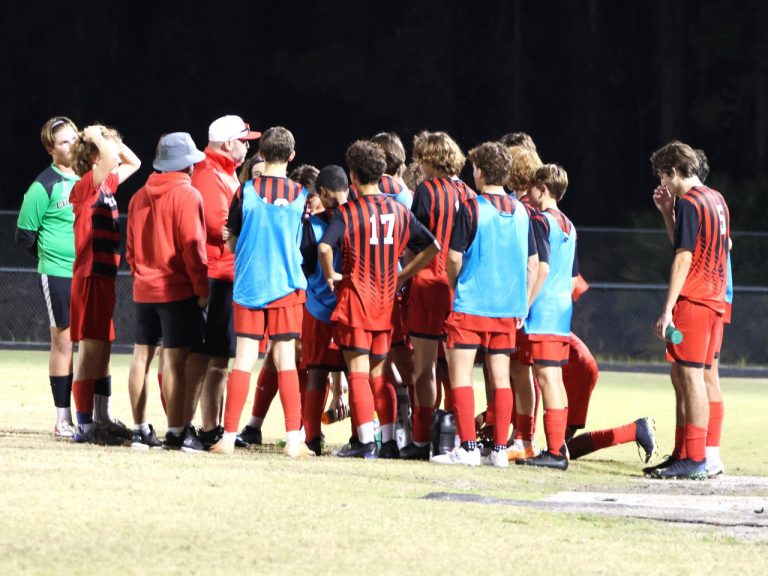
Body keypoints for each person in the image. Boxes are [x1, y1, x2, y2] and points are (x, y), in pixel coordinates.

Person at [318, 140, 438, 458]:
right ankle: (387, 442)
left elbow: (324, 247)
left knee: (357, 372)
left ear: (353, 177)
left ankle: (365, 441)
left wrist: (331, 273)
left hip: (357, 299)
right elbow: (433, 247)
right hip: (385, 303)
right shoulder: (399, 209)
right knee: (379, 374)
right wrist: (403, 275)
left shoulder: (348, 212)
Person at [432, 142, 536, 467]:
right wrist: (522, 302)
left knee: (461, 375)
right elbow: (533, 263)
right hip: (506, 309)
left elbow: (452, 257)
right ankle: (500, 450)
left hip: (472, 304)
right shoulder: (521, 210)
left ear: (479, 171)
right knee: (501, 378)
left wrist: (455, 283)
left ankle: (468, 447)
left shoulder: (472, 206)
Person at [210, 126, 311, 457]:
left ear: (261, 155)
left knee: (243, 359)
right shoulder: (301, 194)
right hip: (286, 284)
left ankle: (227, 437)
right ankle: (294, 441)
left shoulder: (245, 191)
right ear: (292, 156)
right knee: (285, 362)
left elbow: (232, 239)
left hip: (251, 283)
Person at [646, 142, 730, 480]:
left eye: (666, 175)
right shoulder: (716, 199)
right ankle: (684, 453)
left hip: (694, 302)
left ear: (677, 170)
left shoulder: (693, 203)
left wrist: (668, 309)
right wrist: (669, 212)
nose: (665, 183)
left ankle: (694, 457)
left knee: (692, 376)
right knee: (682, 373)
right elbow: (693, 244)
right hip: (714, 301)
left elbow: (684, 256)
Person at [126, 132, 209, 452]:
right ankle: (176, 433)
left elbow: (131, 250)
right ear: (186, 164)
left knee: (140, 358)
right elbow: (194, 250)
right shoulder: (189, 196)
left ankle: (139, 430)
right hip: (176, 290)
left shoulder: (137, 197)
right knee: (174, 364)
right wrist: (201, 289)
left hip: (144, 287)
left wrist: (142, 276)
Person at [184, 115, 261, 449]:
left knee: (217, 359)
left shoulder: (223, 173)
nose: (247, 146)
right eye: (243, 140)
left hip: (225, 274)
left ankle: (210, 428)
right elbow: (220, 228)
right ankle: (194, 426)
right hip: (216, 275)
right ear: (228, 143)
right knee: (207, 359)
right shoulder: (209, 174)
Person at [400, 131, 475, 461]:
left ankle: (420, 439)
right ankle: (460, 440)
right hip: (460, 290)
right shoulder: (470, 193)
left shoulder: (427, 191)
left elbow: (415, 242)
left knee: (425, 368)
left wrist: (403, 274)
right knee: (459, 372)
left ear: (430, 159)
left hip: (429, 287)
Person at [68, 124, 141, 444]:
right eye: (105, 150)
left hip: (103, 278)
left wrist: (106, 139)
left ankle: (102, 416)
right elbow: (113, 158)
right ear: (96, 158)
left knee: (103, 350)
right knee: (90, 351)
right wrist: (96, 137)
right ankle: (83, 425)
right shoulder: (86, 185)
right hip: (89, 278)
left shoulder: (105, 184)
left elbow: (133, 161)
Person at [15, 116, 80, 437]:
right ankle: (62, 418)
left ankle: (94, 416)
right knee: (64, 343)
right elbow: (24, 235)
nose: (72, 144)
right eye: (64, 141)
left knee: (94, 345)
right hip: (58, 273)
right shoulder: (44, 185)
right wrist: (52, 257)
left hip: (89, 273)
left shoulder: (88, 176)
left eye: (74, 137)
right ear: (50, 150)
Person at [515, 164, 577, 470]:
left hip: (544, 310)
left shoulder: (540, 221)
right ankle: (559, 446)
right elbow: (572, 276)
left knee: (546, 377)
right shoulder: (569, 224)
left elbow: (541, 267)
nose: (529, 193)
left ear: (542, 188)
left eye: (532, 187)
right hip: (563, 310)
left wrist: (525, 304)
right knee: (555, 378)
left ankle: (554, 452)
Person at [299, 165, 350, 455]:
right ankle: (364, 437)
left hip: (318, 305)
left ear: (323, 192)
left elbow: (306, 265)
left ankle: (312, 438)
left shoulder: (312, 224)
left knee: (316, 372)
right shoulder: (358, 215)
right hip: (352, 306)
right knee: (360, 371)